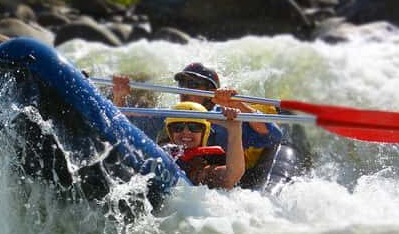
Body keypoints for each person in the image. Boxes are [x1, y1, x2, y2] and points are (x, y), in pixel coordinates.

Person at [112, 63, 282, 170]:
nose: (185, 88)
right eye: (182, 83)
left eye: (193, 84)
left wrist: (238, 104)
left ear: (210, 91)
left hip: (216, 182)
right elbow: (121, 129)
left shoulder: (225, 118)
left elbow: (272, 136)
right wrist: (119, 96)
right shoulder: (171, 116)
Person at [163, 102, 245, 188]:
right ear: (171, 132)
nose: (186, 132)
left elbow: (231, 176)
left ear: (204, 133)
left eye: (194, 127)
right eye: (178, 127)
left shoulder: (204, 168)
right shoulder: (163, 152)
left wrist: (234, 130)